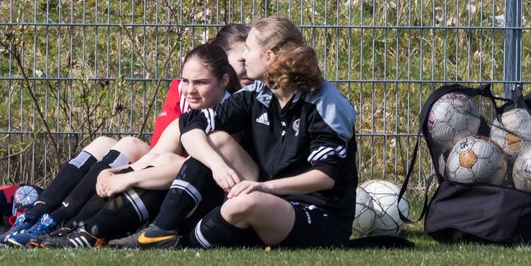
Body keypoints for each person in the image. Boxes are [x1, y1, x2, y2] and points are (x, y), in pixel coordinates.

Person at [0, 23, 249, 247]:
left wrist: (129, 177)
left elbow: (184, 162)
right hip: (170, 170)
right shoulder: (189, 96)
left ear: (222, 77)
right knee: (113, 147)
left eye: (200, 82)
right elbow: (164, 144)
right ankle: (41, 219)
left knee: (158, 160)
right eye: (186, 81)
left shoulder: (236, 111)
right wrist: (118, 173)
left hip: (207, 195)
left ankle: (76, 228)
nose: (190, 89)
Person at [110, 16, 357, 250]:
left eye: (248, 49)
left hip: (318, 213)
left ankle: (184, 246)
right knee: (216, 141)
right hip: (269, 200)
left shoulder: (325, 102)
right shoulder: (258, 93)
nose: (243, 57)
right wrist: (217, 165)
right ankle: (160, 230)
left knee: (248, 201)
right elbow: (191, 124)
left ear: (269, 56)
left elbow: (325, 176)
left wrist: (265, 188)